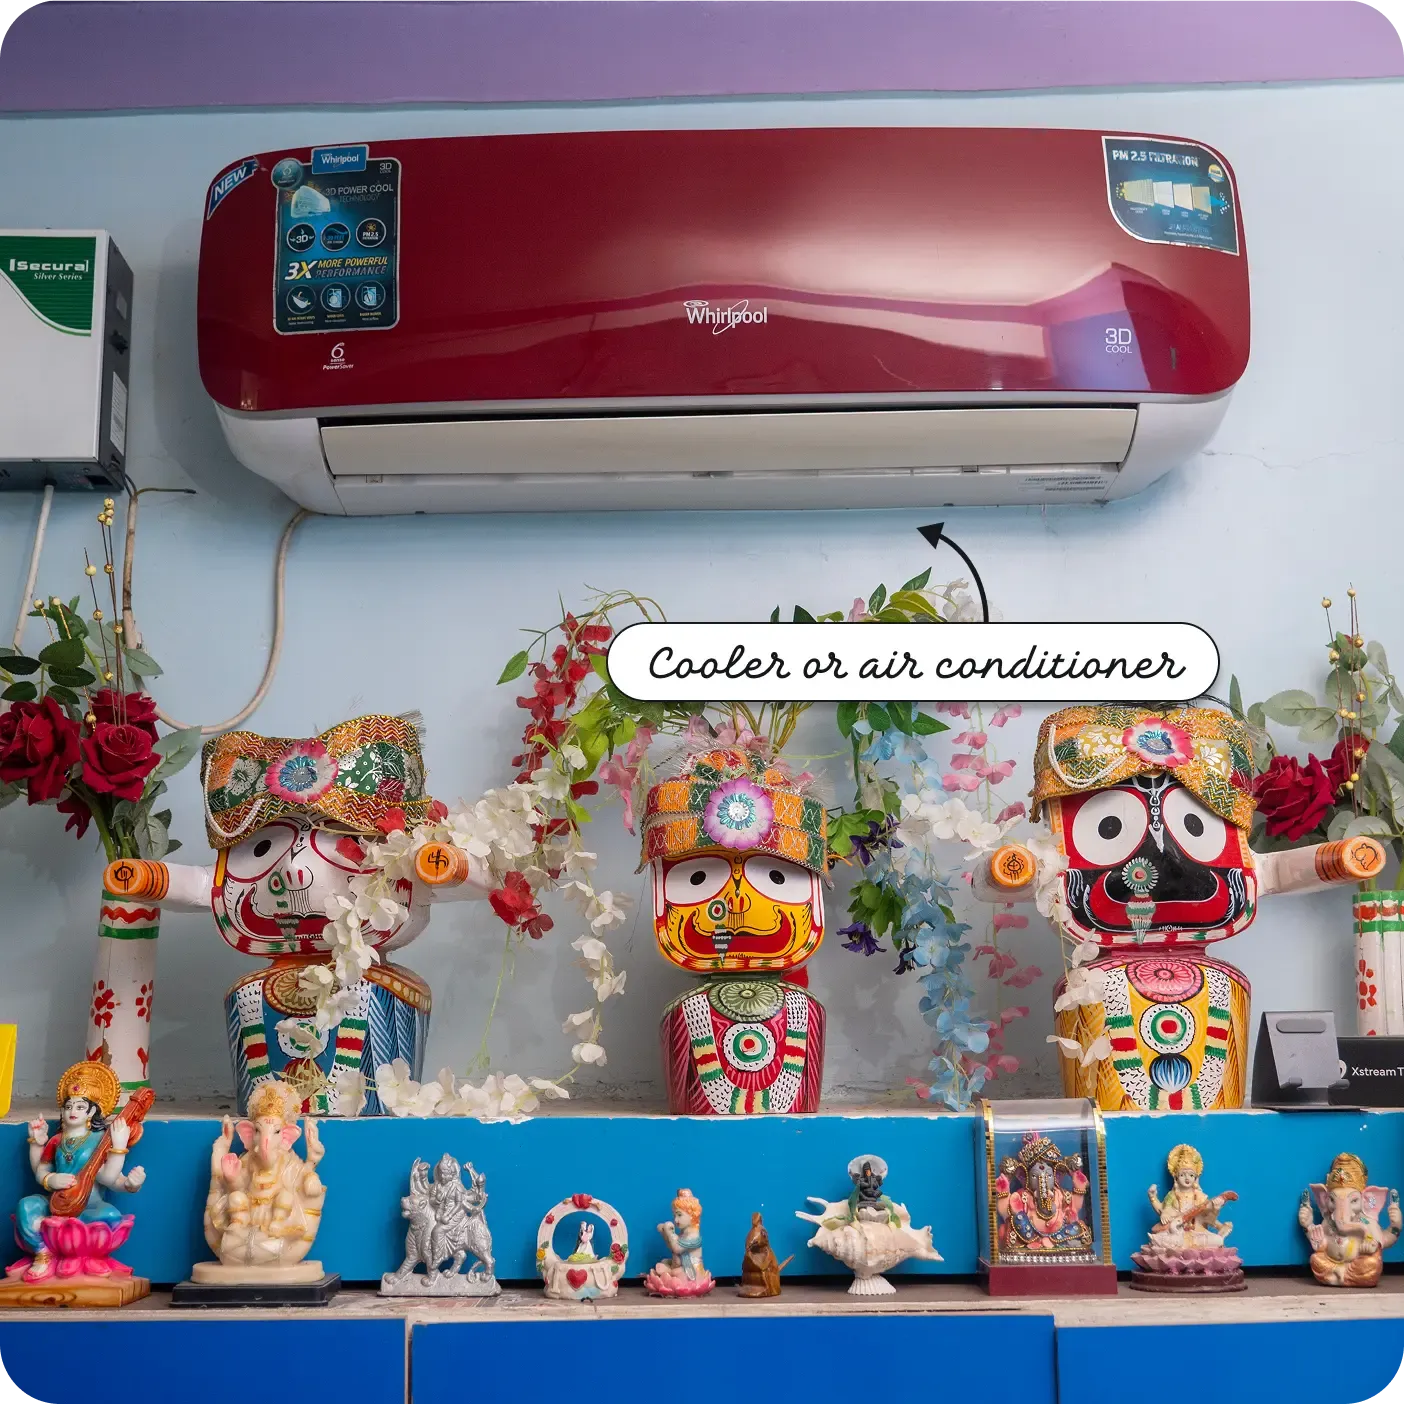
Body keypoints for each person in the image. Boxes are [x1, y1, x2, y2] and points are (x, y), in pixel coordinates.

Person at [18, 1062, 145, 1278]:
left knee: (111, 1216)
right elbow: (40, 1171)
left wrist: (130, 1182)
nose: (72, 1111)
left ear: (92, 1111)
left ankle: (87, 1257)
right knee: (27, 1206)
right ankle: (43, 1253)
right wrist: (49, 1175)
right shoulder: (57, 1140)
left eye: (79, 1107)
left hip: (89, 1206)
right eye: (68, 1107)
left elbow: (108, 1178)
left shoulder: (101, 1140)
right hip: (56, 1204)